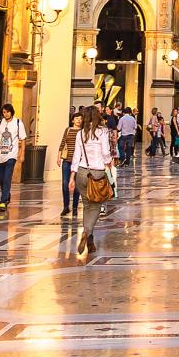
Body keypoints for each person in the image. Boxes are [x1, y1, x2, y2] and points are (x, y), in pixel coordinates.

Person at [72, 106, 118, 258]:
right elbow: (105, 153)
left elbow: (76, 155)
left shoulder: (80, 133)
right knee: (96, 205)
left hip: (81, 172)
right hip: (97, 173)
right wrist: (110, 163)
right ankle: (87, 231)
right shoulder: (102, 132)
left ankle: (89, 239)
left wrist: (72, 176)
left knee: (86, 205)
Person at [0, 103, 26, 212]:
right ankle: (7, 194)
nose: (6, 114)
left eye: (8, 112)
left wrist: (22, 154)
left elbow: (23, 139)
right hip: (0, 155)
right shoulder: (0, 123)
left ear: (11, 112)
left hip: (11, 155)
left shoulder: (18, 123)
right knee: (1, 179)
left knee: (7, 177)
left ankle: (3, 201)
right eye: (4, 112)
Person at [56, 108, 83, 220]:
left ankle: (75, 207)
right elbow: (63, 143)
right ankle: (66, 206)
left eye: (80, 119)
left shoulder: (83, 131)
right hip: (67, 161)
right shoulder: (68, 130)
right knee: (65, 183)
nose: (78, 120)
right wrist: (58, 156)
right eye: (76, 118)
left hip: (78, 162)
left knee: (77, 186)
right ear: (72, 120)